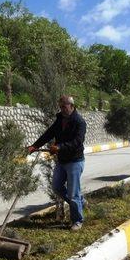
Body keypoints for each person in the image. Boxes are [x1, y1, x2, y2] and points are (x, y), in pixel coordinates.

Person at [28, 95, 87, 231]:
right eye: (60, 107)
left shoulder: (79, 122)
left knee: (73, 194)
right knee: (56, 187)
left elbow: (78, 141)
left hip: (74, 161)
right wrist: (35, 145)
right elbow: (49, 133)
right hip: (62, 160)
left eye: (64, 106)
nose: (62, 109)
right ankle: (80, 202)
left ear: (72, 106)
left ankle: (77, 220)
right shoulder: (60, 118)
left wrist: (60, 147)